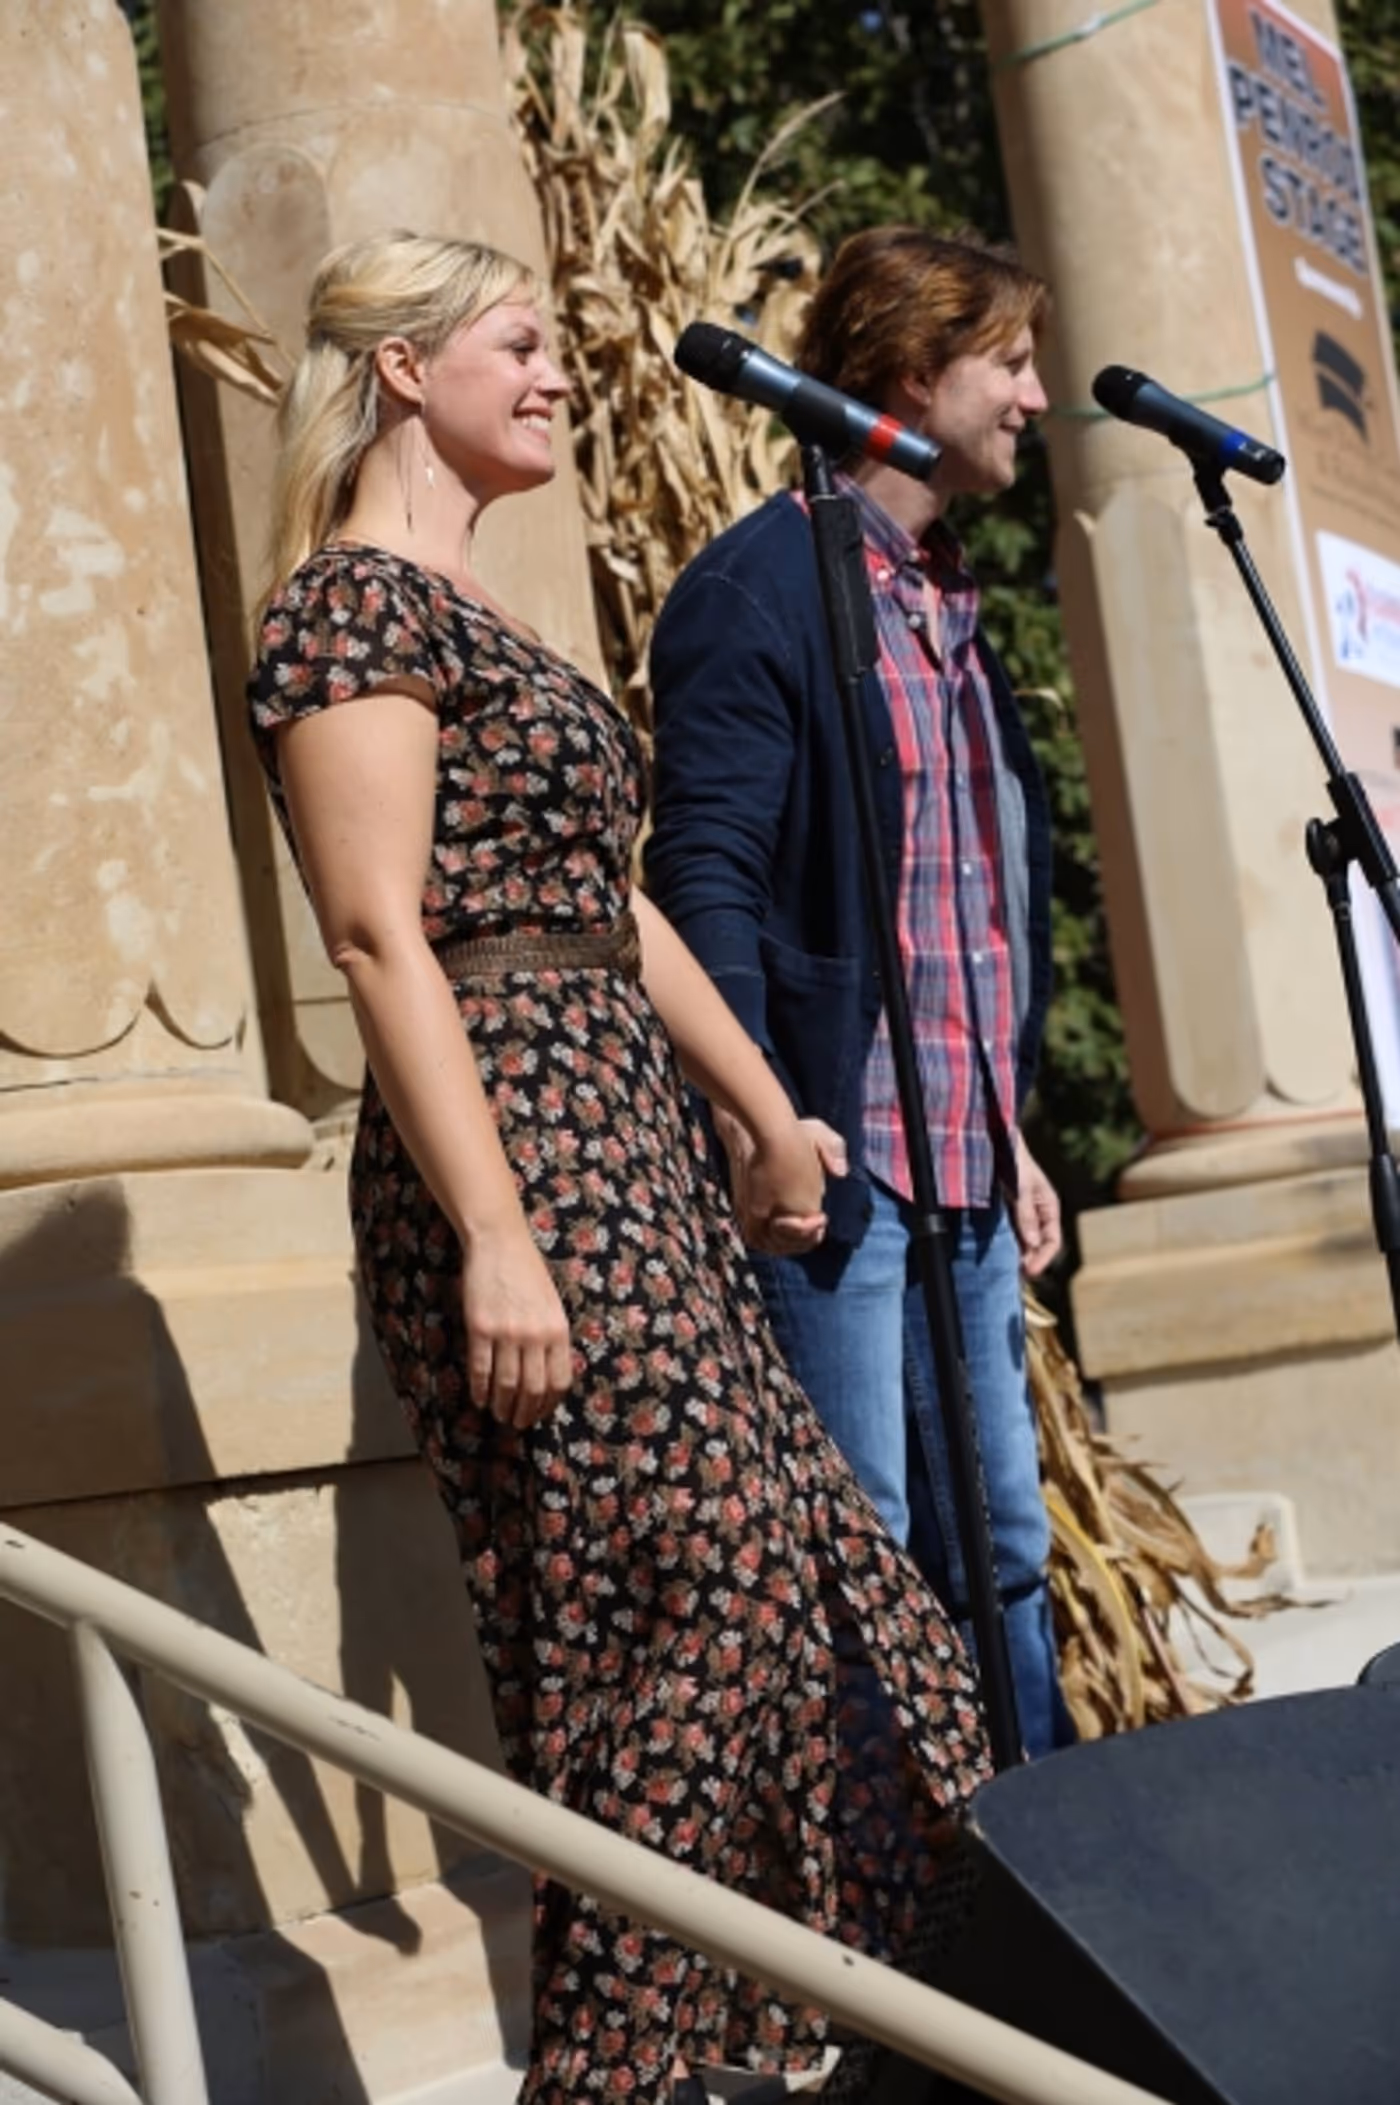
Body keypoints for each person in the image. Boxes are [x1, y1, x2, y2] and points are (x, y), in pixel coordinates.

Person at [247, 231, 990, 2105]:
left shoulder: (494, 616)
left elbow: (622, 907)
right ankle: (609, 2078)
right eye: (520, 344)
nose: (560, 374)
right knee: (708, 1588)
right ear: (407, 369)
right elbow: (373, 935)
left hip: (626, 1138)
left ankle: (897, 2033)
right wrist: (498, 1230)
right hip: (512, 1135)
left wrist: (755, 1104)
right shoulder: (345, 610)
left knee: (854, 1601)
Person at [645, 226, 1075, 1758]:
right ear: (911, 374)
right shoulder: (761, 590)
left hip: (962, 1157)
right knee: (866, 1541)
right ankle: (900, 1929)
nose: (1035, 396)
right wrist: (764, 1116)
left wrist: (1013, 1126)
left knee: (1005, 1548)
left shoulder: (952, 607)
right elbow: (705, 883)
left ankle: (1052, 1888)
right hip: (840, 1161)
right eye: (1009, 364)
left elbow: (968, 904)